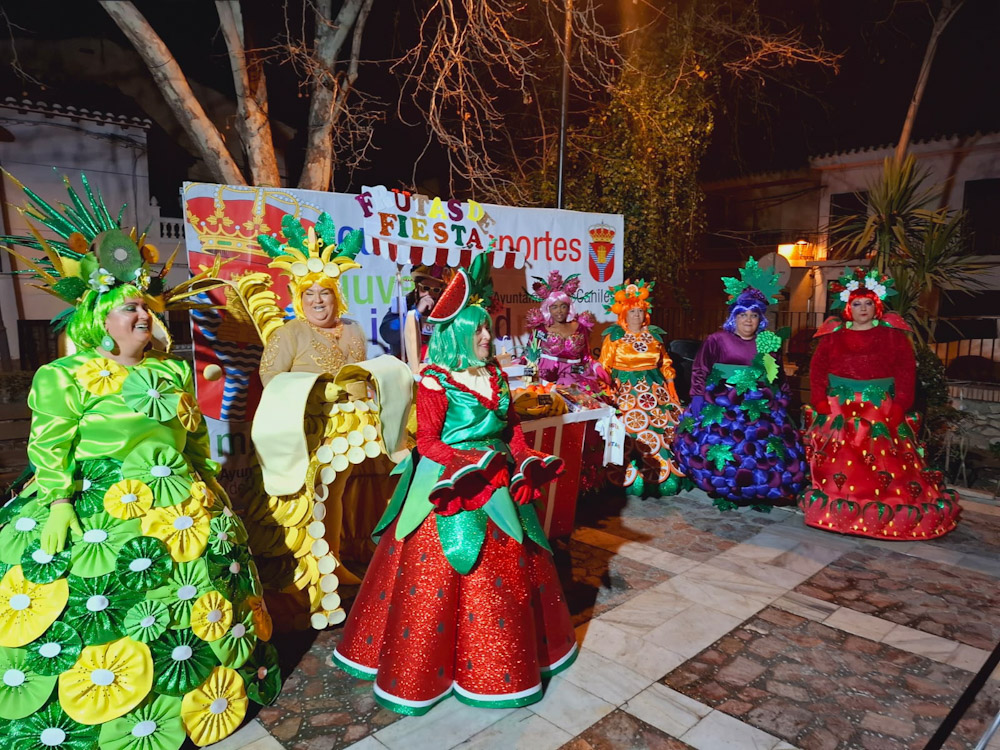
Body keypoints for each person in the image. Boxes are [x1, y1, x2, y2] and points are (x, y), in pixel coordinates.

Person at [0, 174, 280, 749]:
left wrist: (207, 479)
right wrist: (56, 500)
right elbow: (51, 444)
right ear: (98, 316)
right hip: (100, 508)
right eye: (131, 308)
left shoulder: (171, 371)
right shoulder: (65, 375)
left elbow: (193, 435)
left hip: (187, 503)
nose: (144, 318)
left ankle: (208, 697)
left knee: (192, 603)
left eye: (148, 309)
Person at [333, 251, 577, 714]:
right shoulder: (435, 380)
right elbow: (427, 441)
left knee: (512, 571)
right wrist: (471, 465)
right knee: (440, 577)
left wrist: (524, 457)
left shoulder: (495, 373)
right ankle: (429, 670)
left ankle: (499, 663)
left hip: (499, 477)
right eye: (479, 330)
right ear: (459, 334)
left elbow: (510, 426)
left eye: (487, 328)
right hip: (450, 484)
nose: (488, 336)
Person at [244, 213, 413, 628]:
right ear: (299, 300)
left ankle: (335, 559)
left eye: (325, 293)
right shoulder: (289, 334)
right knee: (310, 502)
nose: (318, 301)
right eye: (309, 295)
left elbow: (359, 367)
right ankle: (312, 576)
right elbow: (271, 379)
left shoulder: (353, 329)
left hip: (351, 432)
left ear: (338, 295)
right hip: (309, 431)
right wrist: (319, 390)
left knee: (336, 496)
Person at [799, 267, 960, 540]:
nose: (863, 309)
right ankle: (836, 509)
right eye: (857, 304)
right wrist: (819, 400)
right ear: (849, 307)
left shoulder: (893, 336)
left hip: (878, 409)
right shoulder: (833, 334)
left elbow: (906, 373)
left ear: (877, 306)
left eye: (868, 303)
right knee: (839, 459)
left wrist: (900, 405)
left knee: (880, 460)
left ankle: (879, 509)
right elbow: (818, 368)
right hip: (838, 408)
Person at [673, 258, 806, 510]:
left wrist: (783, 396)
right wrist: (698, 396)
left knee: (761, 449)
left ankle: (757, 487)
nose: (748, 320)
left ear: (760, 319)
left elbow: (775, 374)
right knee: (724, 447)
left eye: (754, 315)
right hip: (721, 404)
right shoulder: (717, 339)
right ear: (733, 317)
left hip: (759, 404)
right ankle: (722, 486)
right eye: (743, 315)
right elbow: (700, 367)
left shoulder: (768, 341)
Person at [599, 279, 686, 496]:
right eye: (632, 312)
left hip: (655, 390)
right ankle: (627, 474)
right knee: (627, 431)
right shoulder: (614, 337)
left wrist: (671, 383)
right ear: (624, 314)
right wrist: (606, 391)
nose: (637, 315)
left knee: (663, 430)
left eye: (640, 311)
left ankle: (667, 472)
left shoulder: (654, 336)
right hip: (624, 390)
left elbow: (665, 362)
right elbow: (603, 366)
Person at [525, 270, 607, 392]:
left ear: (569, 308)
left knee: (584, 404)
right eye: (555, 307)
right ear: (548, 309)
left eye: (563, 306)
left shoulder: (580, 327)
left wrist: (596, 367)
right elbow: (529, 356)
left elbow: (585, 356)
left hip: (574, 377)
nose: (559, 311)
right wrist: (526, 375)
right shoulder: (540, 330)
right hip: (546, 379)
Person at [379, 264, 452, 372]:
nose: (429, 294)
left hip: (438, 373)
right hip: (406, 372)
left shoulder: (448, 313)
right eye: (425, 288)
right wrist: (416, 313)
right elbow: (388, 334)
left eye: (436, 290)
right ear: (417, 288)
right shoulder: (402, 307)